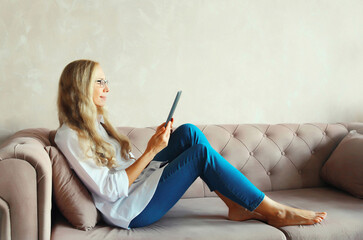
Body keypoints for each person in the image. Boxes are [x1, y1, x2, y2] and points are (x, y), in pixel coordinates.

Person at [54, 59, 327, 230]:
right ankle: (274, 210)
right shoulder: (68, 135)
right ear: (80, 87)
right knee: (199, 154)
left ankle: (234, 206)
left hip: (136, 189)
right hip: (130, 209)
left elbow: (119, 167)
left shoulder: (97, 125)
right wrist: (152, 150)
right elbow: (110, 189)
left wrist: (156, 145)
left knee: (189, 133)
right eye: (99, 81)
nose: (107, 88)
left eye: (106, 81)